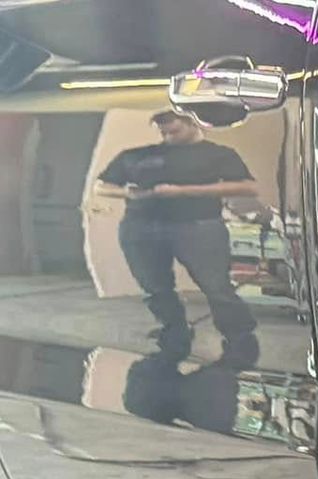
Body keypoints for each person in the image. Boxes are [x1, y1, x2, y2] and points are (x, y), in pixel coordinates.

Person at [94, 111, 259, 365]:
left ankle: (239, 337)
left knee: (216, 286)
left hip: (198, 226)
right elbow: (101, 185)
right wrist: (126, 191)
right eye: (163, 132)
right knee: (154, 287)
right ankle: (174, 329)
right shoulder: (139, 155)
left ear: (194, 123)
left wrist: (183, 191)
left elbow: (248, 187)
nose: (168, 137)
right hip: (141, 227)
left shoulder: (218, 154)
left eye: (174, 131)